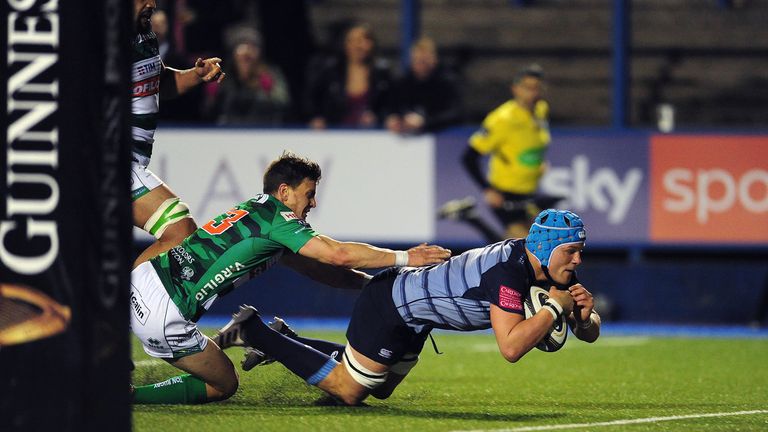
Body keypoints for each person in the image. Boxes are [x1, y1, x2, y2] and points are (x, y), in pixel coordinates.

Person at [129, 152, 452, 404]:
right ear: (285, 191)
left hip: (144, 276)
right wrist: (406, 257)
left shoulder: (258, 211)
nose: (313, 202)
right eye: (309, 193)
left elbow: (319, 268)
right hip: (164, 312)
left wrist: (372, 287)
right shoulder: (279, 218)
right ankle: (128, 397)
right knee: (223, 384)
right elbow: (336, 254)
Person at [223, 209, 600, 405]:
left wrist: (583, 319)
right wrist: (554, 309)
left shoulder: (547, 266)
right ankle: (254, 330)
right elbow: (512, 347)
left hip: (416, 318)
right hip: (392, 303)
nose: (578, 260)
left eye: (579, 251)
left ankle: (285, 339)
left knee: (380, 386)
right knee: (352, 391)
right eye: (571, 251)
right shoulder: (508, 271)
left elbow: (589, 328)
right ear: (547, 248)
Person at [131, 0, 225, 267]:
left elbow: (157, 82)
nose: (152, 3)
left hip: (134, 160)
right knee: (180, 232)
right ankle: (117, 305)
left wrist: (195, 75)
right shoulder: (102, 43)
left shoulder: (145, 35)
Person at [439, 64, 559, 242]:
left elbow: (529, 146)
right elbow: (469, 157)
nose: (533, 93)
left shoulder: (541, 110)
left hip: (529, 192)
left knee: (528, 247)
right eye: (528, 88)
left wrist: (538, 163)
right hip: (506, 195)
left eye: (537, 88)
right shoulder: (502, 119)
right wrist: (487, 190)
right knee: (529, 249)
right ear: (515, 89)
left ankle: (470, 216)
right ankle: (473, 219)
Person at [306, 23, 393, 129]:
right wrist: (316, 117)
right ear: (345, 45)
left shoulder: (382, 74)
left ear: (372, 44)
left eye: (365, 40)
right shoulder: (330, 72)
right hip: (333, 133)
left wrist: (379, 118)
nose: (359, 46)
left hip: (370, 136)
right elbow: (312, 100)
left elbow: (390, 107)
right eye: (354, 41)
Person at [386, 37, 462, 134]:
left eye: (424, 60)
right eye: (416, 60)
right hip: (404, 138)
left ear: (434, 60)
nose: (420, 65)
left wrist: (426, 121)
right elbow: (391, 107)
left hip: (440, 135)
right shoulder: (402, 82)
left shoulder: (446, 82)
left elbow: (455, 113)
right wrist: (393, 117)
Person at [211, 33, 291, 125]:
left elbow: (283, 102)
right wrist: (211, 97)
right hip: (229, 129)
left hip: (263, 127)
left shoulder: (270, 73)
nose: (246, 58)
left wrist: (268, 91)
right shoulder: (223, 76)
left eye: (249, 58)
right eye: (243, 58)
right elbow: (210, 110)